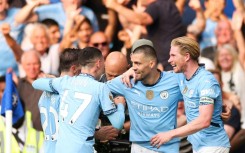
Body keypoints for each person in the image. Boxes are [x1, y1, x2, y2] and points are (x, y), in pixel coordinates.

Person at [32, 47, 125, 153]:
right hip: (81, 148)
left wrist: (55, 81)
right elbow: (118, 123)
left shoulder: (63, 84)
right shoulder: (100, 88)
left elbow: (35, 83)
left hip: (51, 148)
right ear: (98, 63)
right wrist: (120, 105)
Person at [150, 36, 230, 153]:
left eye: (173, 55)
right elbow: (151, 76)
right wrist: (131, 71)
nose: (169, 60)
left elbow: (204, 121)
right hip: (198, 146)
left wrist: (170, 134)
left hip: (213, 145)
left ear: (186, 56)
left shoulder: (206, 81)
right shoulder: (180, 76)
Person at [106, 39, 183, 152]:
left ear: (151, 63)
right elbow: (98, 90)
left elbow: (197, 79)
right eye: (132, 63)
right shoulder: (127, 81)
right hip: (139, 147)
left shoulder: (174, 80)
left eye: (138, 63)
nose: (134, 67)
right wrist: (123, 75)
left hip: (166, 147)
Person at [104, 0, 186, 71]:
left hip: (170, 61)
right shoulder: (168, 4)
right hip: (176, 58)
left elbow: (140, 20)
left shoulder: (156, 6)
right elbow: (139, 26)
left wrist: (114, 5)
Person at [38, 48, 81, 153]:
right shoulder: (68, 94)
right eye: (83, 68)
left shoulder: (44, 93)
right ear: (74, 69)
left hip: (46, 149)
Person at [95, 52, 131, 153]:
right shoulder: (95, 86)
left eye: (117, 76)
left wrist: (121, 128)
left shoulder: (136, 87)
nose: (113, 81)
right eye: (110, 75)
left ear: (128, 69)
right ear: (104, 67)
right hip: (101, 146)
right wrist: (98, 133)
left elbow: (146, 118)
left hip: (128, 143)